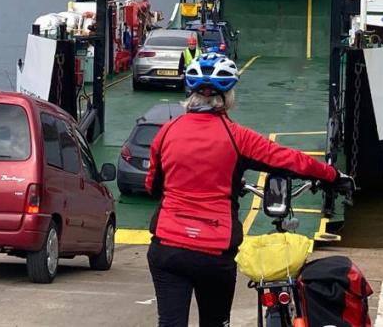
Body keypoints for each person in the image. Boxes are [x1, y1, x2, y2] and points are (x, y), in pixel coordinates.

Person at [145, 53, 354, 327]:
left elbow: (152, 185)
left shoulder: (167, 132)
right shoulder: (237, 137)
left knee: (170, 323)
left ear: (190, 93)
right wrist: (332, 175)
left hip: (167, 246)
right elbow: (288, 159)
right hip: (213, 250)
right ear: (228, 96)